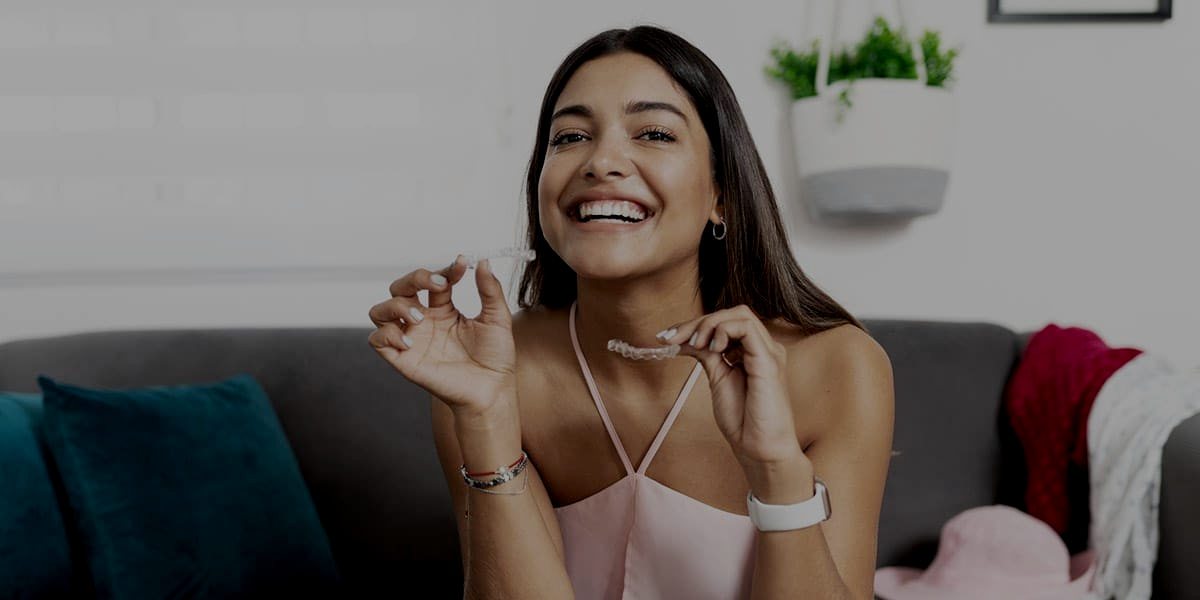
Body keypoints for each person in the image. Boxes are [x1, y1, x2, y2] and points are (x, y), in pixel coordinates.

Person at [368, 24, 895, 600]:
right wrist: (486, 416)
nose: (601, 161)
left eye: (654, 133)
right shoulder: (486, 373)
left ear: (721, 194)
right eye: (570, 137)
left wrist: (776, 469)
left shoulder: (838, 368)